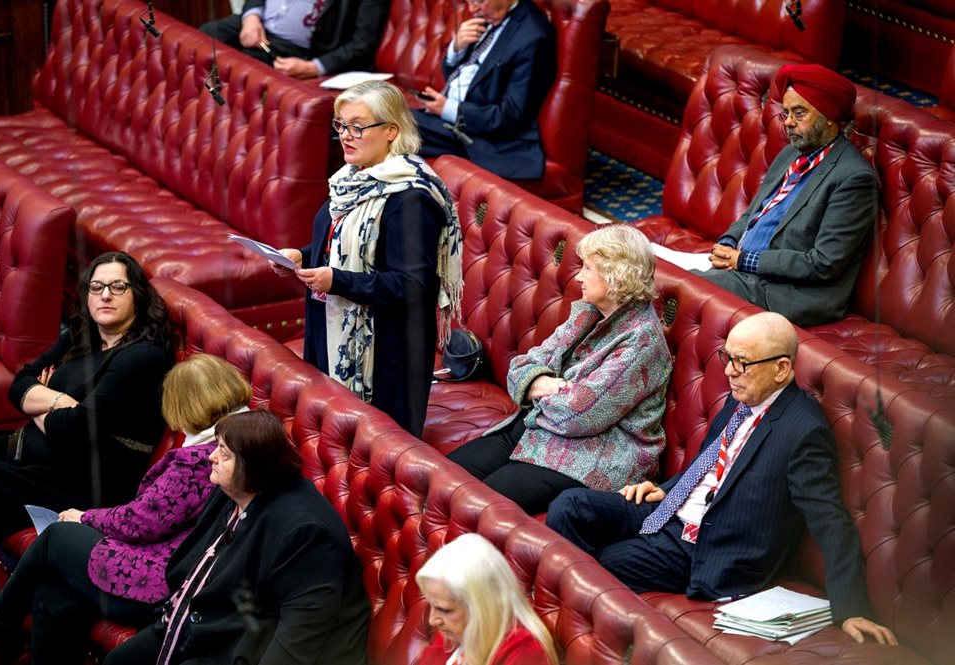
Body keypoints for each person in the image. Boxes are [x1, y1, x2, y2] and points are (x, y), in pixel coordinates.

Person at [547, 312, 899, 646]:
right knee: (570, 505)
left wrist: (851, 610)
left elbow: (829, 519)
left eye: (741, 362)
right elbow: (706, 468)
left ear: (781, 369)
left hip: (704, 546)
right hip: (668, 511)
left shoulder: (803, 431)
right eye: (727, 358)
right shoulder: (743, 398)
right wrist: (666, 490)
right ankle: (568, 616)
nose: (730, 371)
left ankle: (570, 632)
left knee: (602, 562)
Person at [0, 354, 253, 664]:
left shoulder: (198, 461)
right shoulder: (243, 439)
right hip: (177, 566)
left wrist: (84, 517)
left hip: (163, 582)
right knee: (50, 597)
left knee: (57, 535)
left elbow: (142, 522)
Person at [0, 251, 174, 608]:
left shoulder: (141, 357)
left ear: (137, 294)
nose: (105, 295)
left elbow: (76, 429)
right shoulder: (81, 336)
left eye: (118, 287)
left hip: (82, 481)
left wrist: (44, 402)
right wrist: (61, 401)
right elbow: (19, 384)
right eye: (97, 286)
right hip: (33, 454)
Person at [271, 80, 463, 437]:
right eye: (341, 126)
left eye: (358, 127)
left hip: (385, 354)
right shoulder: (350, 180)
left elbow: (413, 285)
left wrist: (337, 281)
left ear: (392, 130)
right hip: (331, 322)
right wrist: (303, 254)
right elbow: (351, 246)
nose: (346, 136)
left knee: (368, 449)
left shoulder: (410, 198)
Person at [102, 410, 370, 665]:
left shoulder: (306, 534)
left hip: (244, 643)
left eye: (224, 453)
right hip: (201, 619)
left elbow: (299, 637)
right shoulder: (233, 489)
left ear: (252, 468)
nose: (212, 457)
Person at [447, 225, 672, 514]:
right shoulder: (589, 313)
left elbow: (578, 415)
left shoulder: (642, 340)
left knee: (476, 507)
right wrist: (555, 387)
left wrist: (539, 387)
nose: (579, 276)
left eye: (588, 268)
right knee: (442, 478)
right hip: (535, 428)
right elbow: (520, 367)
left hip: (591, 458)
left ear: (616, 277)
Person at [692, 63, 878, 326]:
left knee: (684, 286)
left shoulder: (854, 178)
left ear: (829, 115)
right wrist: (728, 243)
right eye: (786, 113)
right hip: (744, 272)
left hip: (787, 292)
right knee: (655, 271)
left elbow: (823, 263)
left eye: (799, 113)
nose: (789, 123)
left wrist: (745, 261)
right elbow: (753, 213)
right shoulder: (789, 155)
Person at [414, 0, 556, 180]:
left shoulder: (533, 37)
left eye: (479, 1)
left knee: (391, 122)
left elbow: (511, 117)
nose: (472, 9)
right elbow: (465, 76)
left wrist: (450, 109)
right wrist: (456, 49)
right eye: (469, 2)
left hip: (486, 139)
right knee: (386, 115)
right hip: (455, 122)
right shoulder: (491, 17)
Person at [416, 533, 557, 665]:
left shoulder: (524, 653)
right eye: (432, 606)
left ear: (482, 606)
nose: (432, 620)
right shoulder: (456, 632)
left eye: (444, 610)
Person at [199, 0, 389, 79]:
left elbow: (363, 43)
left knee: (240, 67)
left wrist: (313, 67)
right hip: (257, 22)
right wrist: (251, 17)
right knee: (204, 36)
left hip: (294, 48)